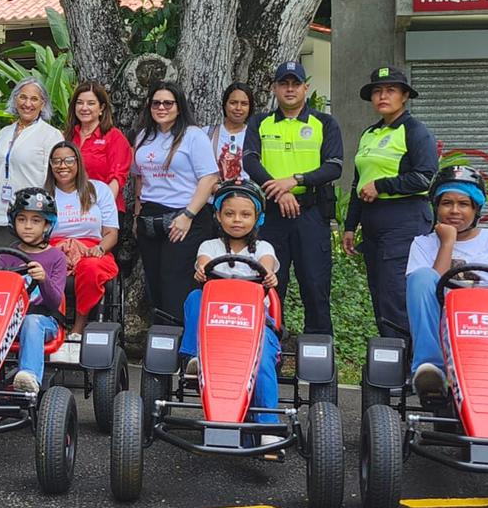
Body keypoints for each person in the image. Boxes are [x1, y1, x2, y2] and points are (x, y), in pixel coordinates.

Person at [404, 165, 488, 464]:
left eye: (463, 204)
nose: (454, 211)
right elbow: (429, 288)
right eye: (446, 203)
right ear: (435, 206)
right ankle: (431, 369)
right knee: (422, 277)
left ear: (477, 209)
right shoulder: (424, 244)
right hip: (443, 324)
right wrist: (447, 242)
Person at [242, 62, 343, 336]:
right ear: (274, 88)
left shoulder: (324, 123)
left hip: (311, 213)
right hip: (272, 214)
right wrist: (279, 191)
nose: (289, 89)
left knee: (315, 285)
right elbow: (250, 160)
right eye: (284, 83)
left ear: (305, 88)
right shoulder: (259, 122)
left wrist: (294, 181)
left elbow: (334, 166)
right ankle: (268, 349)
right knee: (271, 285)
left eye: (295, 84)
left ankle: (318, 356)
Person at [178, 180, 281, 432]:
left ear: (257, 218)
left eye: (245, 214)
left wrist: (267, 274)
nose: (237, 220)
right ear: (218, 217)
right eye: (229, 214)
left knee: (264, 361)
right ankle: (195, 358)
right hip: (217, 327)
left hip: (254, 326)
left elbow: (266, 264)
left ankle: (268, 426)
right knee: (195, 297)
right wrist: (202, 270)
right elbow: (203, 263)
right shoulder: (209, 247)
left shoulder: (264, 248)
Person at [342, 66, 437, 337]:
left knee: (395, 293)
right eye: (377, 91)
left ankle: (409, 364)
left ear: (404, 95)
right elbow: (359, 183)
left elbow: (425, 178)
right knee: (380, 293)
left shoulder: (415, 131)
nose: (383, 96)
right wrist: (350, 225)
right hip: (373, 221)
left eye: (391, 90)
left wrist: (382, 186)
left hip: (404, 220)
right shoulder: (369, 134)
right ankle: (389, 356)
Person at [130, 81, 219, 324]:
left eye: (168, 103)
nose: (161, 107)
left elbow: (209, 178)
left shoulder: (193, 136)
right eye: (156, 103)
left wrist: (187, 216)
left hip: (186, 215)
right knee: (155, 283)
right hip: (151, 216)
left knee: (176, 283)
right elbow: (139, 178)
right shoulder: (143, 137)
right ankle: (162, 341)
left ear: (179, 107)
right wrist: (137, 216)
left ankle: (181, 345)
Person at [0, 188, 68, 393]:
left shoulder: (56, 257)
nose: (28, 226)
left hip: (43, 320)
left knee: (31, 322)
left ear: (47, 225)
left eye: (35, 221)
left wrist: (43, 279)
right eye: (22, 219)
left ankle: (29, 377)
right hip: (7, 321)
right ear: (13, 222)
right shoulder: (8, 254)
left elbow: (55, 301)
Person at [45, 141, 118, 340]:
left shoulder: (98, 190)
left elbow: (111, 233)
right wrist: (57, 249)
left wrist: (100, 249)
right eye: (57, 161)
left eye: (69, 160)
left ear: (78, 162)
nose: (63, 165)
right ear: (50, 165)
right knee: (44, 266)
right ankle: (52, 326)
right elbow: (36, 232)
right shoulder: (44, 194)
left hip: (92, 249)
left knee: (91, 268)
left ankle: (78, 327)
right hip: (54, 248)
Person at [0, 78, 64, 248]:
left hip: (32, 219)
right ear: (15, 99)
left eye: (34, 99)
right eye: (23, 97)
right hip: (1, 218)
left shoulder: (50, 135)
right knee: (2, 269)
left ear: (43, 104)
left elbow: (57, 180)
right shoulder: (4, 133)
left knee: (29, 270)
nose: (27, 104)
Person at [66, 81, 132, 212]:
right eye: (79, 103)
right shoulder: (67, 137)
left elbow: (116, 179)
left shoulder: (114, 137)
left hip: (104, 209)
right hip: (70, 210)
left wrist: (98, 210)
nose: (84, 108)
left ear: (101, 108)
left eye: (91, 103)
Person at [205, 83, 252, 183]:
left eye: (244, 104)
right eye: (233, 103)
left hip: (246, 195)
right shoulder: (207, 134)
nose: (238, 108)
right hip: (212, 196)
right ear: (225, 105)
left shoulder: (255, 136)